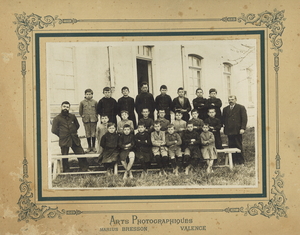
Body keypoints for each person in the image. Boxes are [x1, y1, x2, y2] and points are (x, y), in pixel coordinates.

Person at [51, 101, 89, 172]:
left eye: (67, 107)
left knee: (80, 153)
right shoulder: (57, 118)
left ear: (69, 108)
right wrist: (62, 135)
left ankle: (84, 168)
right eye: (64, 106)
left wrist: (73, 132)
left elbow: (77, 126)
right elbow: (54, 130)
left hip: (74, 138)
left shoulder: (73, 116)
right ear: (61, 107)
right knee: (65, 155)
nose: (65, 108)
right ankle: (66, 170)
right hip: (64, 140)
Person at [222, 95, 248, 165]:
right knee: (231, 145)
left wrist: (242, 128)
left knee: (238, 145)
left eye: (232, 99)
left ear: (236, 100)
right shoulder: (225, 109)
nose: (231, 101)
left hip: (237, 130)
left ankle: (241, 161)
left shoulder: (241, 108)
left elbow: (244, 119)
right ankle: (233, 161)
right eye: (229, 100)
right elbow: (224, 119)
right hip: (229, 130)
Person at [79, 88, 98, 153]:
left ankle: (93, 146)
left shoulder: (95, 102)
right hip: (86, 120)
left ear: (92, 95)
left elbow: (97, 110)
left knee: (93, 133)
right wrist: (83, 117)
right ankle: (89, 147)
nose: (88, 95)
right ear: (85, 95)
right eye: (87, 94)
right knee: (88, 133)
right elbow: (80, 111)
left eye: (90, 94)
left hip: (93, 119)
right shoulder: (82, 102)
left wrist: (95, 116)